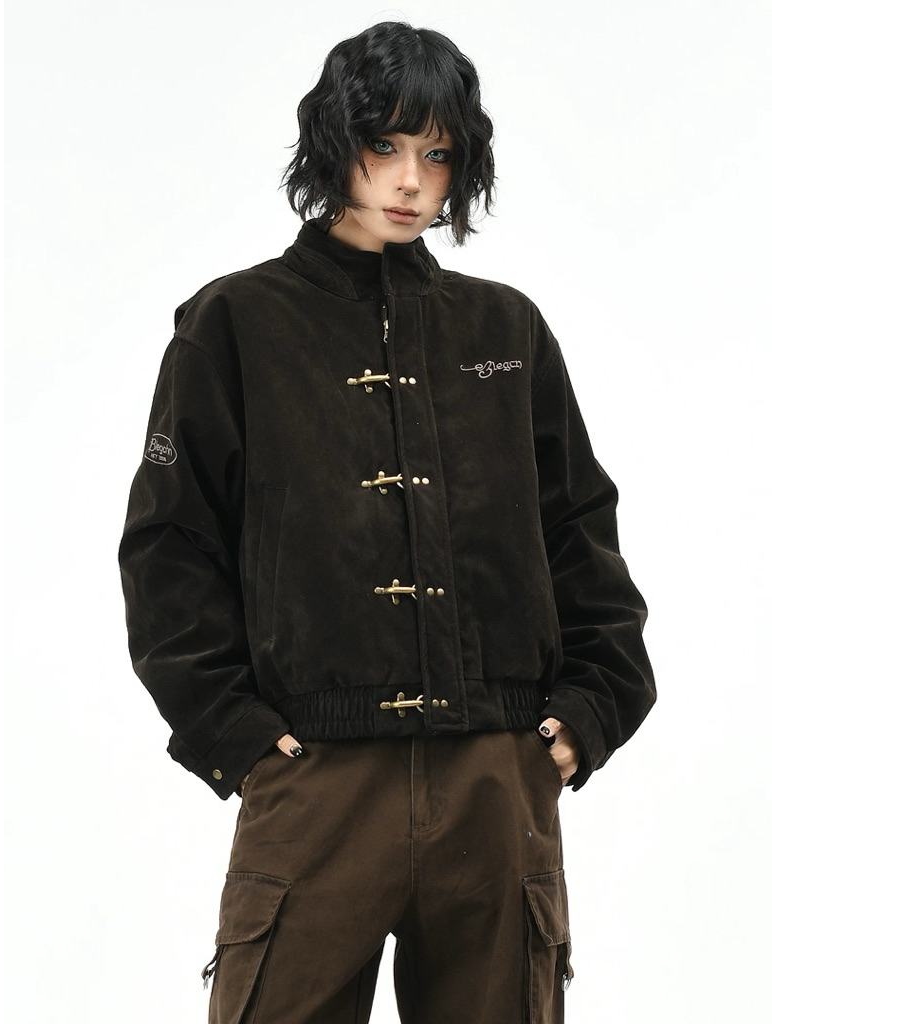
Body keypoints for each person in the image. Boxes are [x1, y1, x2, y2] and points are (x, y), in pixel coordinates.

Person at [118, 20, 656, 1024]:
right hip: (316, 781)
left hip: (498, 778)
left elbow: (580, 525)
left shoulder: (505, 328)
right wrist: (233, 733)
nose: (411, 180)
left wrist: (591, 712)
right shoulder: (235, 323)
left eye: (438, 154)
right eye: (385, 145)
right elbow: (168, 546)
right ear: (335, 145)